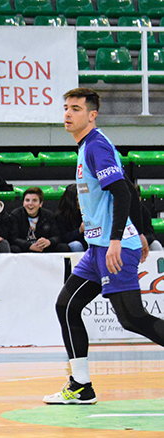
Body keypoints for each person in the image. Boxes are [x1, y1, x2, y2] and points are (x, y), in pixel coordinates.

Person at [45, 87, 164, 405]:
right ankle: (81, 386)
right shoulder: (86, 147)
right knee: (66, 306)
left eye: (75, 109)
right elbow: (127, 187)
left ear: (92, 115)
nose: (68, 114)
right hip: (98, 247)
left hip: (113, 248)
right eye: (65, 108)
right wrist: (137, 232)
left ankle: (81, 385)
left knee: (133, 318)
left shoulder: (97, 146)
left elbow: (124, 194)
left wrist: (118, 240)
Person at [10, 187, 70, 253]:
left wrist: (48, 242)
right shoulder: (16, 215)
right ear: (23, 203)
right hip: (26, 247)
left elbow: (57, 236)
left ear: (40, 204)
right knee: (14, 248)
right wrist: (29, 245)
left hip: (43, 247)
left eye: (34, 200)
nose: (30, 204)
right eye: (27, 200)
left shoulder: (49, 215)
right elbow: (13, 238)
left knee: (63, 247)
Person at [55, 183, 87, 253]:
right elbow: (62, 238)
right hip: (73, 245)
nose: (82, 202)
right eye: (78, 199)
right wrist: (79, 230)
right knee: (76, 245)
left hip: (89, 242)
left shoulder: (89, 212)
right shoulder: (61, 216)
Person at [136, 186, 163, 251]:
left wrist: (143, 239)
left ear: (139, 199)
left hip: (140, 242)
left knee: (156, 245)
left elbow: (150, 234)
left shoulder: (144, 211)